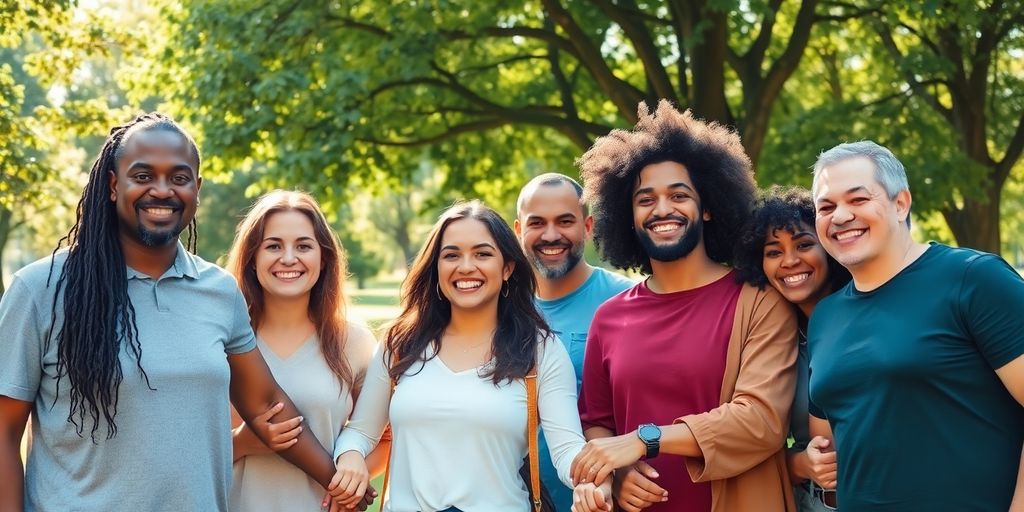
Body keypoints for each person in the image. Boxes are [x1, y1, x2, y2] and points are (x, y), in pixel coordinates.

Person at [0, 113, 337, 511]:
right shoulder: (41, 289)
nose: (162, 191)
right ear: (113, 185)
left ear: (197, 188)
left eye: (178, 178)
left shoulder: (218, 291)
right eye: (143, 176)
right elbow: (4, 430)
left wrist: (340, 483)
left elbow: (266, 407)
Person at [570, 100, 798, 512]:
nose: (662, 209)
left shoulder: (759, 301)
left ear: (707, 206)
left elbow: (761, 421)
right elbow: (597, 422)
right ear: (628, 215)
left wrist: (644, 439)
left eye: (679, 194)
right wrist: (617, 472)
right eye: (645, 199)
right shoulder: (610, 317)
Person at [325, 200, 611, 512]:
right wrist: (351, 455)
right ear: (436, 267)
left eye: (482, 254)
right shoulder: (400, 343)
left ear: (507, 268)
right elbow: (361, 432)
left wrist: (590, 481)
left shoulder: (540, 349)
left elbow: (567, 448)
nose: (465, 266)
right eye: (451, 255)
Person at [807, 140, 1024, 511]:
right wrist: (813, 456)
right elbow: (831, 434)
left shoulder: (973, 279)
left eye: (858, 200)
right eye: (826, 207)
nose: (840, 216)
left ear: (900, 203)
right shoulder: (824, 317)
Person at [225, 190, 389, 511]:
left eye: (303, 246)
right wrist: (240, 443)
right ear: (252, 258)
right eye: (273, 246)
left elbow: (385, 438)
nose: (289, 258)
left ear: (323, 257)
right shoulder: (220, 340)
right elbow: (177, 451)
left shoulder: (353, 342)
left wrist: (349, 481)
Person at [514, 173, 634, 511]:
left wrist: (622, 469)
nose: (551, 235)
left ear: (588, 226)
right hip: (512, 497)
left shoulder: (627, 302)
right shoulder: (499, 309)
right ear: (518, 229)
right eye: (537, 222)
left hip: (604, 500)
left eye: (565, 221)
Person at [734, 185, 852, 511]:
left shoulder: (866, 320)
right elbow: (755, 447)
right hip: (811, 503)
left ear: (829, 247)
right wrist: (802, 464)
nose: (790, 261)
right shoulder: (771, 342)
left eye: (803, 245)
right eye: (774, 251)